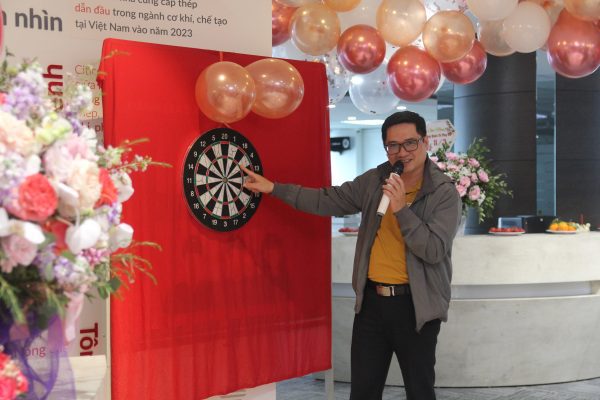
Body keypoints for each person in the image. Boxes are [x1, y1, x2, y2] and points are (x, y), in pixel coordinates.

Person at [241, 111, 461, 400]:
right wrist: (273, 188)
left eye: (410, 143)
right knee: (363, 391)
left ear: (425, 142)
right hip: (372, 305)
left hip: (416, 307)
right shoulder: (375, 180)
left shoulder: (443, 192)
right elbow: (327, 199)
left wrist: (401, 209)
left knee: (419, 391)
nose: (402, 152)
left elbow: (433, 250)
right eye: (393, 145)